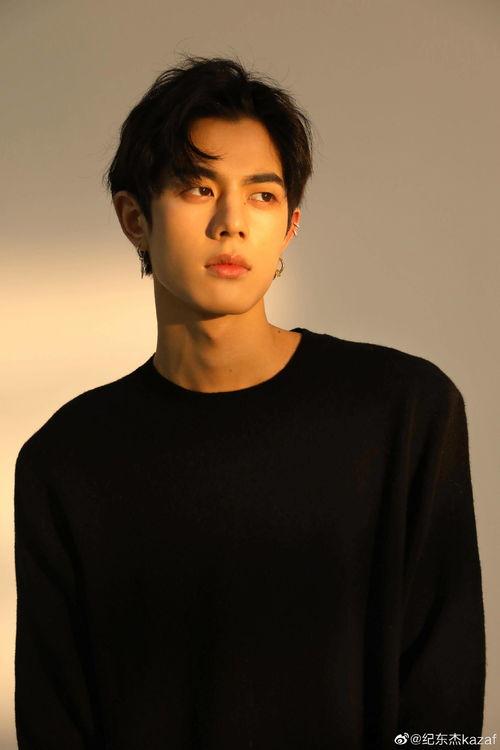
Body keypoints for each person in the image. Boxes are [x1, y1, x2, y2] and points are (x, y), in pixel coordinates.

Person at [13, 54, 485, 749]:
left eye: (262, 195)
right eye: (197, 188)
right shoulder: (65, 461)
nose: (231, 222)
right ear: (135, 218)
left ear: (289, 227)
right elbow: (55, 722)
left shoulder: (406, 413)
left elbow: (445, 707)